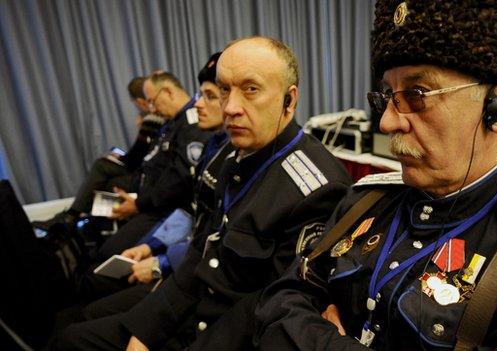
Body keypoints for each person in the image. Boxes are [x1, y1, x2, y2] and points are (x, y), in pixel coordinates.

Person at [250, 1, 497, 350]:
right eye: (386, 96)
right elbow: (279, 301)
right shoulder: (362, 202)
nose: (387, 121)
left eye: (417, 94)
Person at [55, 36, 353, 350]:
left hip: (235, 336)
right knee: (71, 338)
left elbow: (273, 304)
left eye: (251, 89)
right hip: (189, 312)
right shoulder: (226, 157)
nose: (231, 107)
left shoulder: (320, 187)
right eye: (224, 89)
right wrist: (143, 332)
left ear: (288, 101)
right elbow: (200, 255)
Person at [80, 52, 235, 320]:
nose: (197, 105)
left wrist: (161, 263)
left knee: (89, 312)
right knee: (94, 283)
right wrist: (152, 246)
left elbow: (219, 236)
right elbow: (193, 212)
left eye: (210, 96)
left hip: (192, 266)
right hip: (182, 244)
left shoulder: (214, 145)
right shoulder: (213, 145)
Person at [93, 71, 213, 262]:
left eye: (152, 101)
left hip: (163, 209)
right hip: (149, 201)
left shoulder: (192, 124)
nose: (151, 108)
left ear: (168, 92)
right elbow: (149, 161)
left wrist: (138, 204)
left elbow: (176, 180)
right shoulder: (170, 123)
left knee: (106, 256)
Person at [31, 77, 165, 234]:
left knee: (102, 167)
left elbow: (134, 159)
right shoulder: (154, 119)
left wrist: (117, 158)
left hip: (144, 175)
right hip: (143, 172)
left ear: (140, 101)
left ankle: (72, 218)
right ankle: (77, 220)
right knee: (105, 180)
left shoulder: (152, 120)